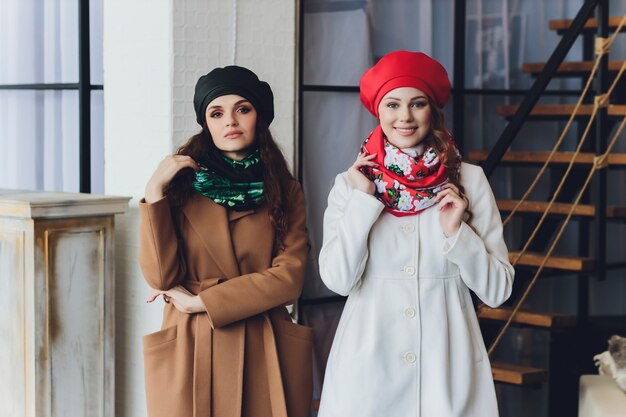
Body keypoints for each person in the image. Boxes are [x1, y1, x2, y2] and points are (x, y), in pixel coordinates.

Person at [317, 51, 514, 417]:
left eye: (416, 104)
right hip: (368, 372)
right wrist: (363, 202)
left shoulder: (469, 179)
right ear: (378, 111)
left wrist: (458, 232)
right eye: (392, 104)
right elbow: (337, 281)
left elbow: (498, 291)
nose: (404, 117)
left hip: (447, 370)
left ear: (432, 110)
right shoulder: (351, 184)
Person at [138, 65, 313, 417]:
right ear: (207, 124)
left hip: (263, 343)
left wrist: (203, 302)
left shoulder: (286, 190)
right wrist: (153, 192)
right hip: (192, 346)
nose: (230, 121)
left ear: (258, 117)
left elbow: (289, 279)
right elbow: (160, 278)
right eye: (217, 113)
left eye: (242, 109)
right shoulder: (178, 188)